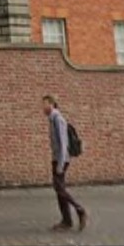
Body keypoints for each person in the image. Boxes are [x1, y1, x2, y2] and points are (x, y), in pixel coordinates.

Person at [42, 94, 87, 232]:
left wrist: (60, 164)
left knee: (59, 188)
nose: (43, 107)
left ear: (52, 104)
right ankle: (66, 220)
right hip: (57, 159)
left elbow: (63, 143)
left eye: (45, 104)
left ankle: (79, 210)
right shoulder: (52, 119)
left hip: (61, 159)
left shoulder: (58, 119)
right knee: (59, 189)